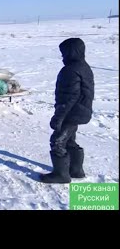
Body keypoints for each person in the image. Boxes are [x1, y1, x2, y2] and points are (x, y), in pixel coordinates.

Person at [39, 38, 94, 183]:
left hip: (71, 112)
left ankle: (61, 175)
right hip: (81, 110)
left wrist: (58, 118)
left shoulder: (70, 70)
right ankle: (76, 170)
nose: (62, 57)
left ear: (72, 52)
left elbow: (68, 98)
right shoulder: (83, 66)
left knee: (57, 141)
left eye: (64, 53)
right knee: (69, 139)